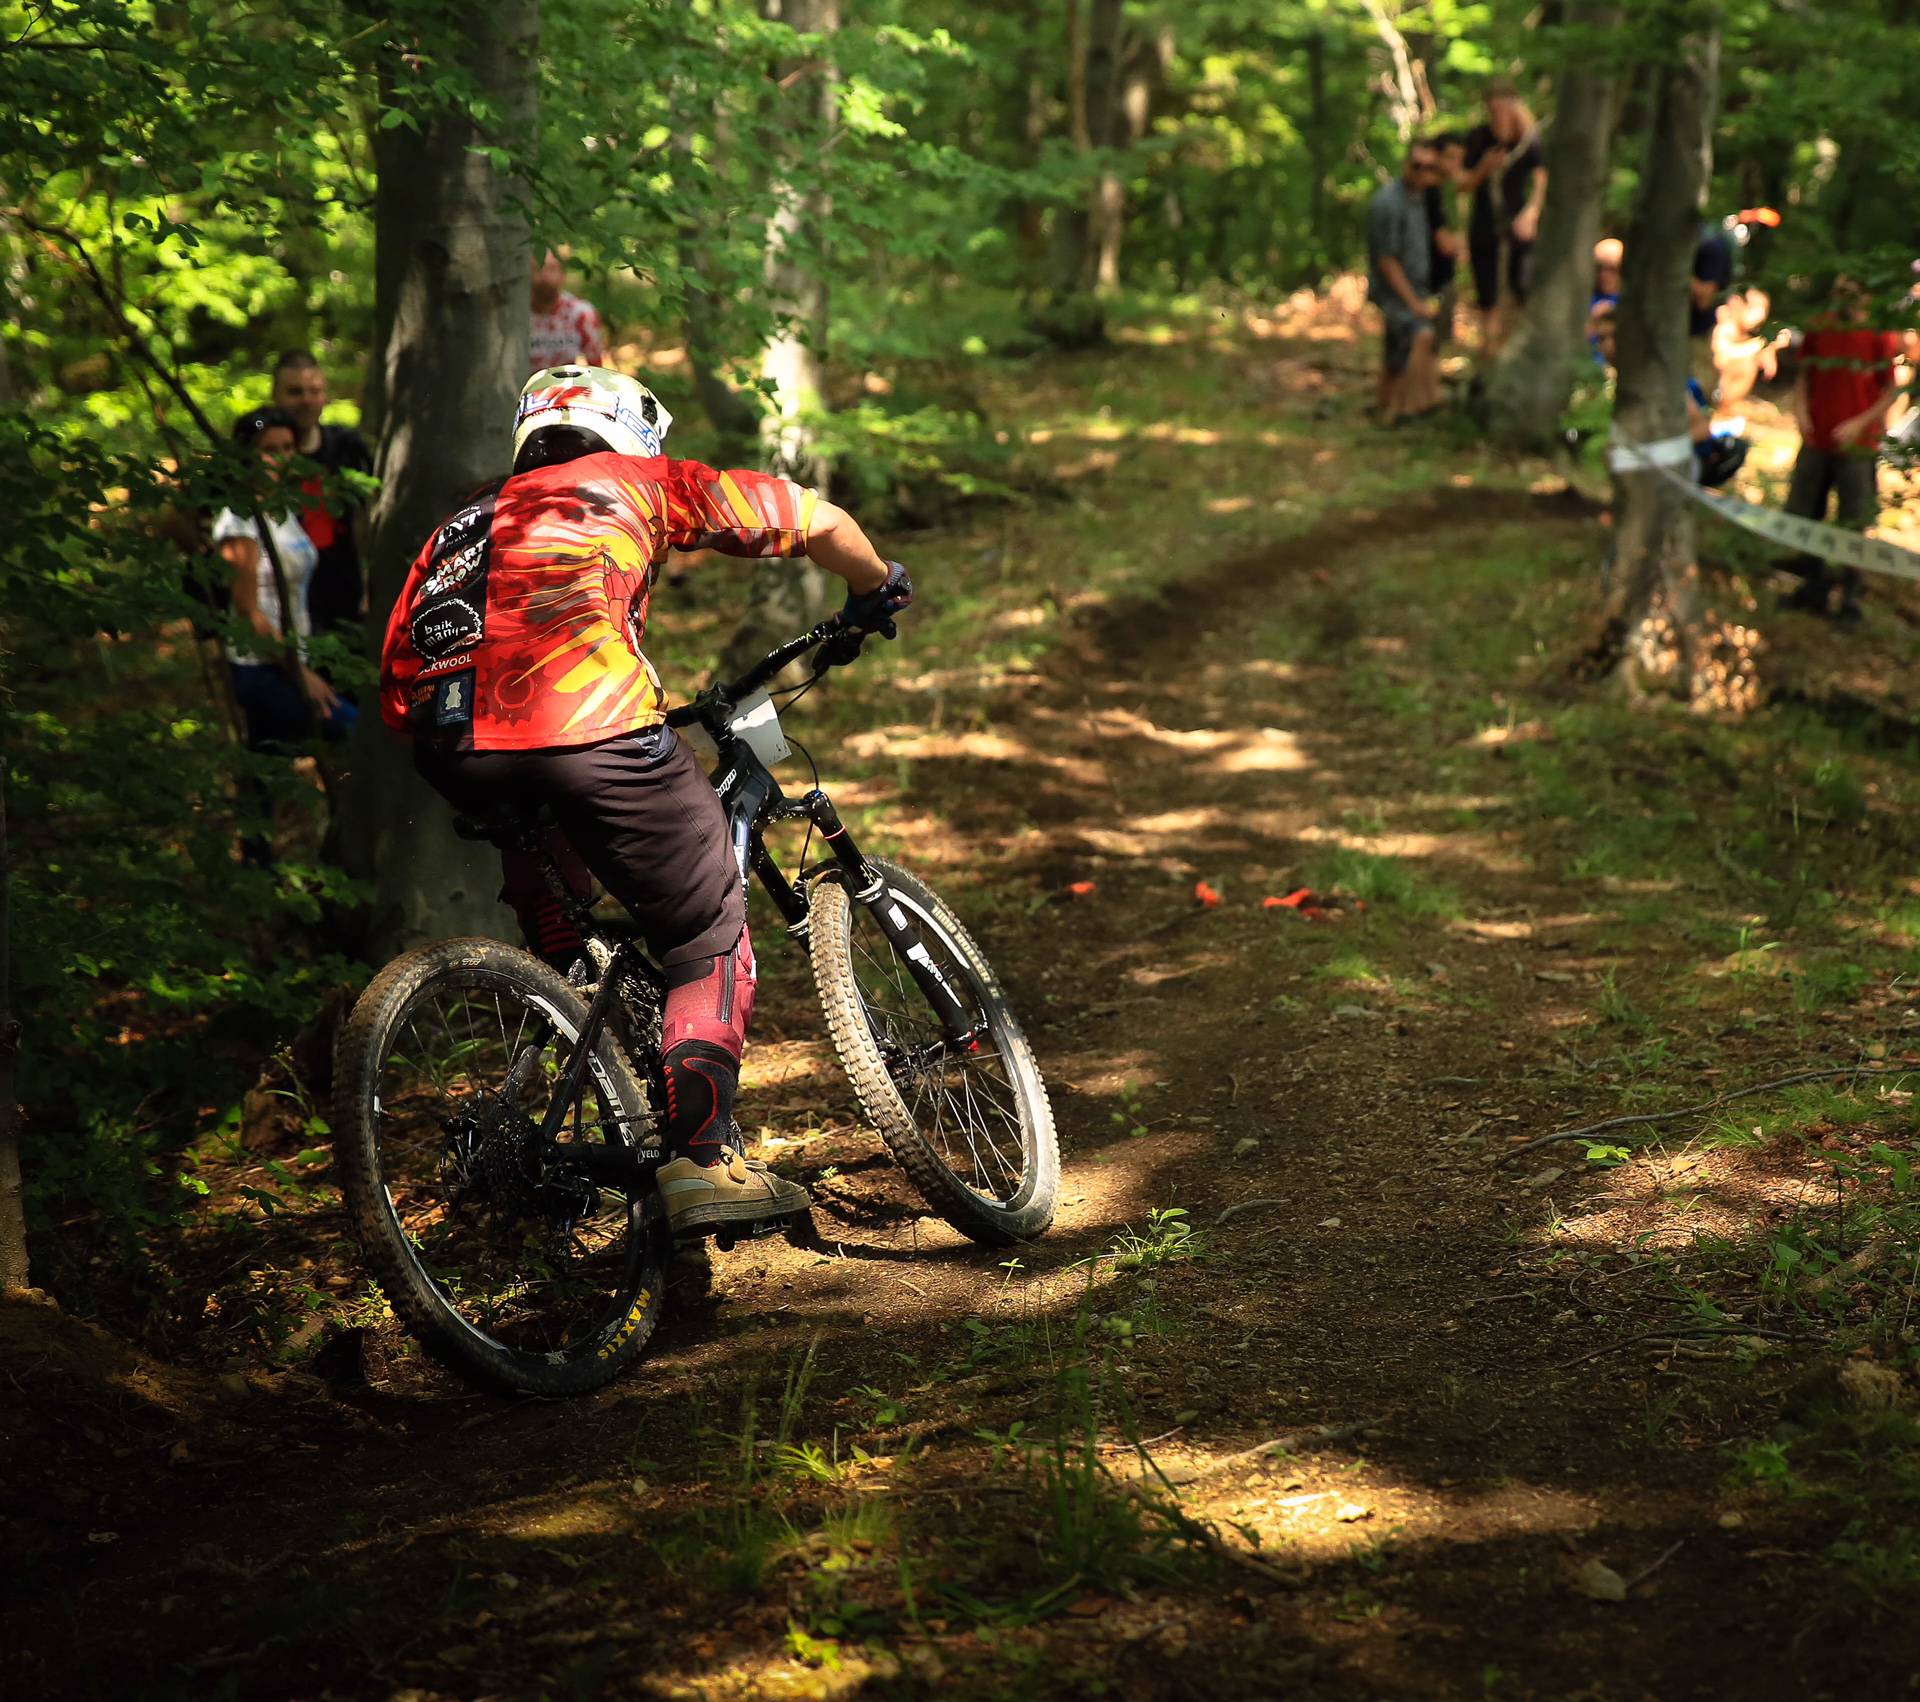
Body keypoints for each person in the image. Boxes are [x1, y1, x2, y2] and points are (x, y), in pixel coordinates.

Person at [378, 366, 912, 1236]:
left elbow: (404, 659)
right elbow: (816, 520)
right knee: (705, 920)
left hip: (451, 742)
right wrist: (873, 587)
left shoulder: (461, 522)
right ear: (629, 431)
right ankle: (704, 1162)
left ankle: (575, 1053)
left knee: (573, 921)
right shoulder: (641, 482)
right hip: (585, 725)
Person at [214, 407, 357, 752]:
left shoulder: (284, 511)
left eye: (288, 449)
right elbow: (248, 612)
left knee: (275, 764)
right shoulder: (239, 520)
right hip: (260, 667)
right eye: (269, 450)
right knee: (354, 729)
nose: (280, 459)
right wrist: (300, 675)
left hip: (291, 658)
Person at [1778, 278, 1906, 624]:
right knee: (1809, 513)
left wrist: (1860, 425)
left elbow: (1890, 390)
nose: (1845, 301)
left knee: (1853, 520)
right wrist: (1801, 410)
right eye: (1840, 293)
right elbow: (1805, 374)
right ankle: (1812, 587)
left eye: (1853, 293)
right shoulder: (1820, 327)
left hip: (1857, 445)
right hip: (1817, 438)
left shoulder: (1878, 334)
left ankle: (1850, 597)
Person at [269, 351, 374, 636]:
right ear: (275, 396)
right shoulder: (258, 453)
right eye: (295, 392)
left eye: (314, 391)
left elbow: (374, 511)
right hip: (281, 595)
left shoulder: (347, 448)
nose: (306, 400)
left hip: (343, 591)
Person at [1461, 78, 1546, 353]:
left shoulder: (1528, 141)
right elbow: (1462, 185)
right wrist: (1484, 167)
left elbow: (1541, 180)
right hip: (1485, 225)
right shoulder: (1478, 138)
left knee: (1521, 289)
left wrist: (1531, 214)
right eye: (1493, 109)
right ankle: (1490, 351)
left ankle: (1516, 350)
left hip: (1519, 226)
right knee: (1488, 296)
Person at [1367, 138, 1440, 423]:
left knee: (1396, 352)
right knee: (1419, 337)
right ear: (1406, 164)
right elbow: (1387, 260)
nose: (1424, 173)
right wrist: (1414, 302)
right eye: (1418, 166)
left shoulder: (1422, 200)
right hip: (1395, 292)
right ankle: (1406, 409)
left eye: (1430, 168)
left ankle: (1386, 405)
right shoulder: (1388, 203)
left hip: (1418, 289)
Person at [529, 248, 607, 374]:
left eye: (551, 269)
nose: (545, 277)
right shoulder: (514, 316)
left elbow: (596, 366)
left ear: (562, 274)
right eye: (537, 269)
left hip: (568, 390)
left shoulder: (581, 314)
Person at [1427, 132, 1468, 348]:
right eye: (1451, 157)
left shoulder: (1447, 190)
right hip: (1430, 283)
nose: (1456, 165)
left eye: (1460, 159)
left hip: (1444, 278)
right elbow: (1446, 244)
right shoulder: (1429, 192)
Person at [1689, 221, 1735, 394]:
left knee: (1698, 394)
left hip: (1698, 335)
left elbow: (1704, 298)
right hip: (1681, 334)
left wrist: (1676, 271)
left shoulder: (1710, 246)